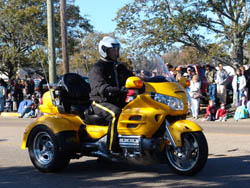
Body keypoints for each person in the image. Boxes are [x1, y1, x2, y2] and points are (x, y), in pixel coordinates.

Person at [88, 36, 133, 155]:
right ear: (104, 50)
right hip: (100, 102)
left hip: (118, 100)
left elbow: (133, 77)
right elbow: (100, 88)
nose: (115, 52)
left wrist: (151, 81)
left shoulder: (119, 67)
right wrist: (117, 90)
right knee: (116, 114)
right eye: (112, 50)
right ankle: (112, 148)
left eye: (117, 49)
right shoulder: (97, 68)